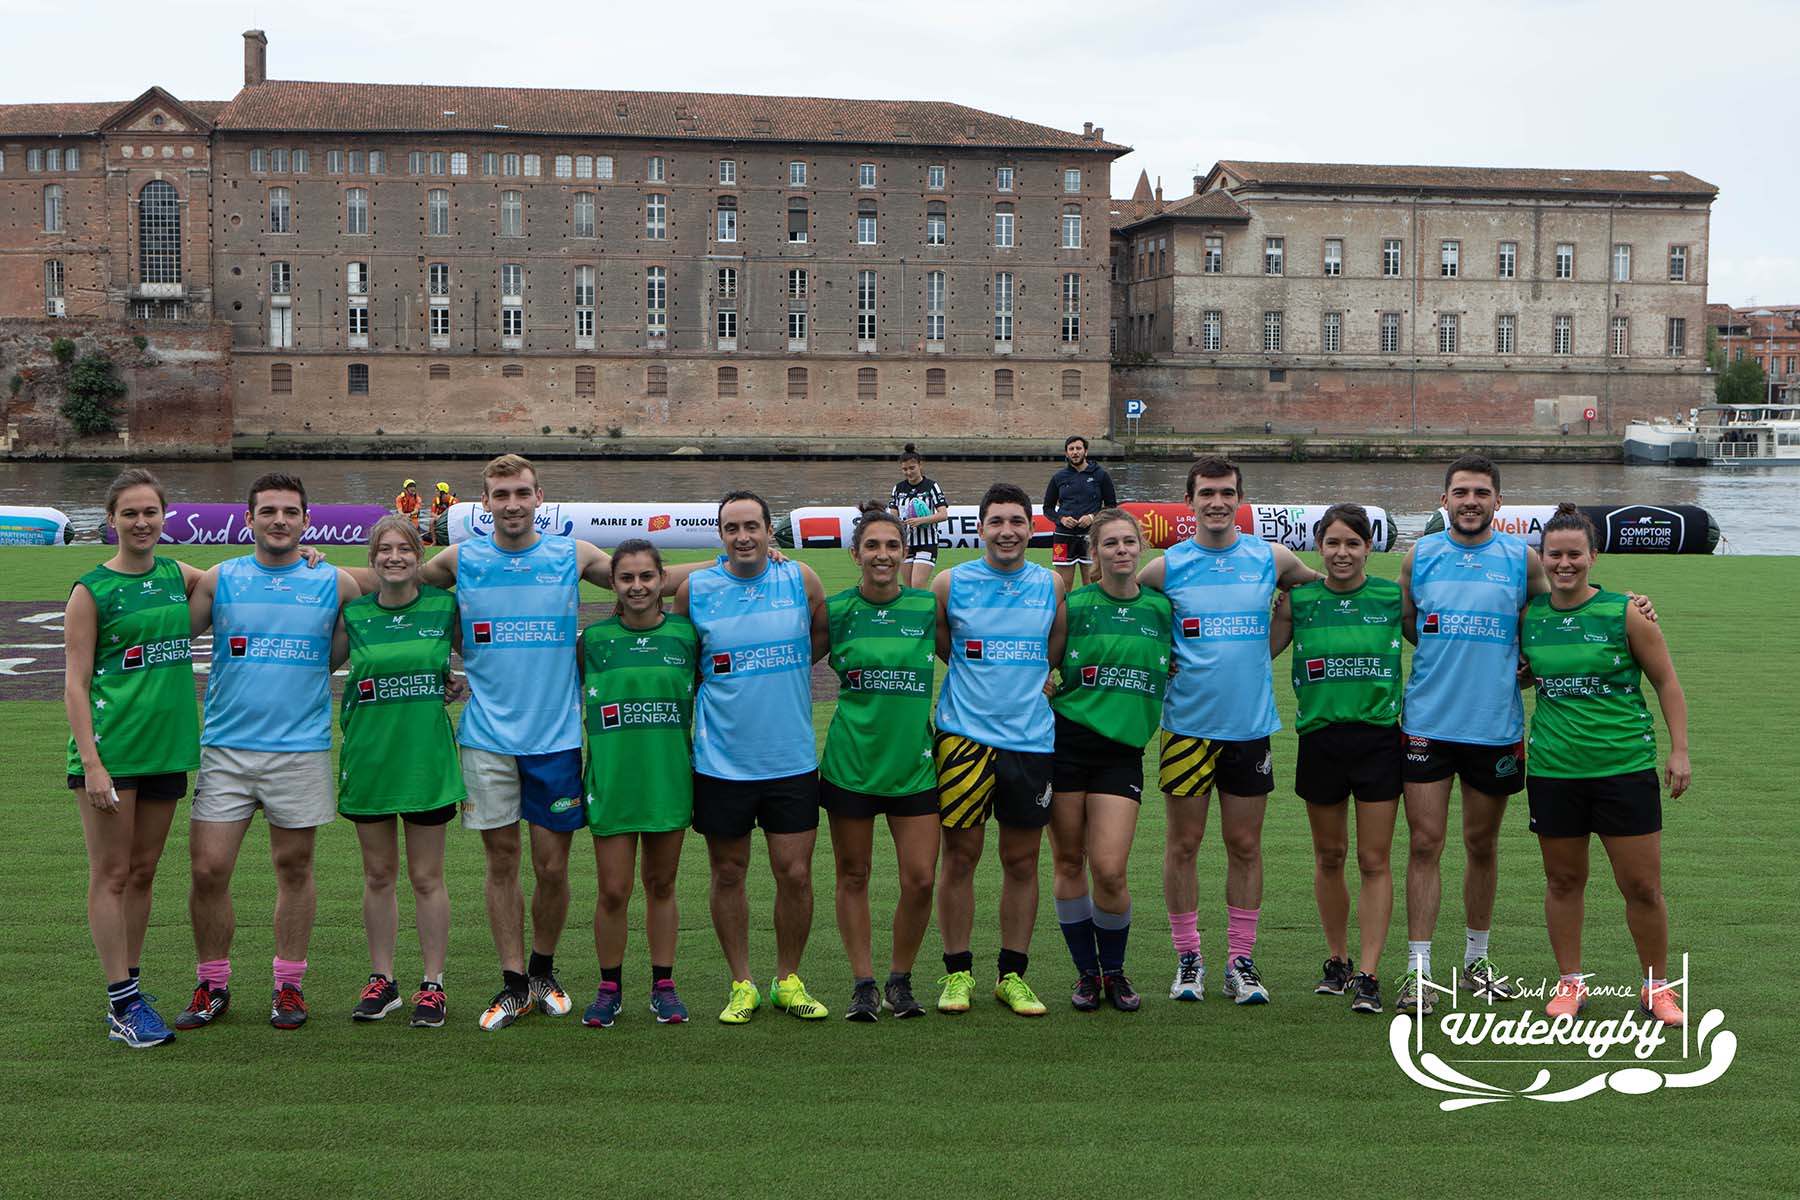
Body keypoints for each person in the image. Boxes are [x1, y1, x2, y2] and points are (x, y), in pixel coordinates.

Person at [345, 453, 694, 1031]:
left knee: (552, 867)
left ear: (539, 498)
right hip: (487, 738)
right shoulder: (461, 559)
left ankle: (542, 971)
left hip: (554, 738)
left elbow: (647, 574)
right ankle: (512, 983)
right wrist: (311, 565)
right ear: (485, 502)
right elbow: (392, 577)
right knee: (502, 862)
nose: (512, 504)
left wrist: (736, 560)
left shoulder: (570, 554)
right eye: (501, 494)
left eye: (521, 493)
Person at [1395, 455, 1653, 1015]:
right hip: (1427, 723)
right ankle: (1419, 971)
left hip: (1494, 726)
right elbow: (1410, 622)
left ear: (1498, 502)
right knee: (1424, 843)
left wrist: (1631, 604)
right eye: (1460, 492)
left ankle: (1477, 961)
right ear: (1444, 500)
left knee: (1481, 844)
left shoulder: (1521, 558)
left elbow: (1565, 600)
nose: (1470, 501)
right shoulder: (1420, 555)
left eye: (1481, 492)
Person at [178, 473, 362, 1031]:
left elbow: (399, 592)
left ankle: (289, 986)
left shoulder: (334, 581)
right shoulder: (221, 578)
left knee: (294, 867)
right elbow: (168, 635)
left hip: (299, 751)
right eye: (268, 511)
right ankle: (212, 984)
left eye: (289, 512)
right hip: (227, 750)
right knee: (208, 869)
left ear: (307, 521)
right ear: (248, 519)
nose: (279, 520)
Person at [1139, 456, 1320, 1006]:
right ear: (1189, 501)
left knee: (1244, 845)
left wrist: (1280, 628)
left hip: (1248, 728)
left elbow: (1326, 591)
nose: (1217, 503)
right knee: (1184, 844)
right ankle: (1188, 958)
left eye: (1226, 493)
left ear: (1240, 499)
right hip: (1187, 730)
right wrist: (1156, 656)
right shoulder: (1166, 567)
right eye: (1207, 493)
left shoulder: (1271, 558)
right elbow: (1119, 607)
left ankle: (1240, 961)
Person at [1522, 504, 1689, 1027]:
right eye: (1555, 555)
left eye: (1575, 554)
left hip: (1624, 767)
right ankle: (1571, 982)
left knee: (1642, 887)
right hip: (1553, 770)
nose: (1564, 563)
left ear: (1593, 556)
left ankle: (1656, 987)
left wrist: (1679, 750)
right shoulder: (1529, 617)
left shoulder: (1626, 612)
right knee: (1563, 881)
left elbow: (1666, 681)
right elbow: (1520, 674)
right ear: (1542, 558)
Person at [675, 491, 832, 1024]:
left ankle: (788, 979)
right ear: (720, 535)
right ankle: (741, 983)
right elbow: (685, 658)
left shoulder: (800, 579)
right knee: (728, 873)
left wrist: (782, 669)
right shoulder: (696, 589)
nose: (743, 537)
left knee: (795, 873)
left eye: (752, 527)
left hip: (790, 758)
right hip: (721, 762)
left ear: (769, 530)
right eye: (732, 528)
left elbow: (819, 636)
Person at [63, 468, 204, 1048]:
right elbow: (74, 684)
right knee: (112, 874)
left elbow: (247, 580)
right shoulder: (91, 590)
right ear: (111, 520)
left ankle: (131, 990)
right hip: (112, 752)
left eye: (151, 512)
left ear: (164, 517)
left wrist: (312, 559)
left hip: (166, 751)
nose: (142, 523)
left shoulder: (177, 575)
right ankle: (122, 1002)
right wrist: (92, 764)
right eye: (130, 513)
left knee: (144, 872)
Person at [932, 482, 1067, 1017]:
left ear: (1031, 528)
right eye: (997, 522)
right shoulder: (950, 583)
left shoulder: (1050, 584)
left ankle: (1012, 976)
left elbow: (1054, 652)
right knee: (960, 857)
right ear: (980, 528)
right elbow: (945, 647)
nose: (1007, 532)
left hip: (1030, 742)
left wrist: (1035, 682)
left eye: (1016, 522)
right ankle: (957, 973)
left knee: (1021, 860)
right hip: (964, 739)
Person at [1268, 504, 1403, 1015]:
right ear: (1318, 547)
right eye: (1332, 543)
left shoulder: (1393, 596)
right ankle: (1338, 960)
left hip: (1378, 740)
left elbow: (1449, 633)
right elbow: (1256, 652)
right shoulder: (1299, 601)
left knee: (1373, 860)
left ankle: (1369, 973)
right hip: (1320, 740)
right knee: (1329, 856)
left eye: (1352, 543)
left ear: (1368, 548)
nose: (1342, 553)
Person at [330, 515, 463, 1028]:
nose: (394, 557)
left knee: (427, 877)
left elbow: (486, 661)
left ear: (418, 556)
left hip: (426, 760)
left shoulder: (444, 607)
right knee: (379, 875)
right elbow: (313, 669)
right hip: (370, 759)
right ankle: (382, 980)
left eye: (404, 549)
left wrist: (455, 683)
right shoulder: (355, 614)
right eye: (384, 550)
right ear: (372, 559)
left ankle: (433, 985)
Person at [1047, 508, 1171, 1013]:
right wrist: (1044, 680)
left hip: (1121, 754)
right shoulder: (1073, 605)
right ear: (1094, 553)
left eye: (1128, 542)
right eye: (1110, 543)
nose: (1121, 550)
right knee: (1067, 861)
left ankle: (1114, 970)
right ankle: (1087, 974)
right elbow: (1043, 664)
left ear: (1141, 547)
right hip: (1066, 744)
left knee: (1110, 869)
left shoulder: (1161, 608)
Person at [820, 503, 941, 1021]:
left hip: (913, 764)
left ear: (905, 551)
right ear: (856, 554)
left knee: (920, 879)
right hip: (851, 763)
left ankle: (901, 980)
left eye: (892, 545)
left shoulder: (926, 607)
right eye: (872, 546)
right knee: (854, 874)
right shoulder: (835, 611)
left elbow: (973, 661)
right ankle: (864, 984)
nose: (883, 555)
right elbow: (788, 661)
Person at [578, 539, 700, 1028]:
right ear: (612, 582)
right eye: (626, 577)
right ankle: (609, 988)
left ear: (662, 579)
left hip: (668, 778)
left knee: (662, 884)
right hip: (612, 781)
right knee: (613, 890)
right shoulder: (593, 640)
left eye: (646, 576)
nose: (637, 586)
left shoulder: (687, 636)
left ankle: (663, 986)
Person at [1043, 435, 1117, 588]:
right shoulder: (1058, 477)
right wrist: (1061, 519)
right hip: (1063, 537)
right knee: (1063, 585)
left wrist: (1093, 517)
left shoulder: (1100, 475)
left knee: (1092, 584)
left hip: (1091, 536)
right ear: (1066, 453)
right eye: (1071, 449)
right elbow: (1048, 508)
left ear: (1086, 452)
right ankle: (1063, 605)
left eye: (1078, 448)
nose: (1075, 452)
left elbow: (1111, 506)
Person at [888, 444, 949, 589]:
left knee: (917, 585)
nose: (908, 472)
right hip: (906, 544)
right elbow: (893, 516)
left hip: (927, 543)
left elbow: (943, 515)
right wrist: (898, 523)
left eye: (912, 468)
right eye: (905, 469)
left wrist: (920, 520)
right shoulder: (898, 488)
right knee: (908, 588)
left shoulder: (931, 486)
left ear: (920, 465)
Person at [428, 481, 458, 546]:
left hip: (450, 519)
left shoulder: (453, 500)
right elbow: (432, 513)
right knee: (431, 521)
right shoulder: (436, 500)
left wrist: (441, 517)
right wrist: (438, 517)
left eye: (437, 490)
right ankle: (434, 541)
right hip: (439, 518)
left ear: (442, 492)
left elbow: (452, 514)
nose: (435, 492)